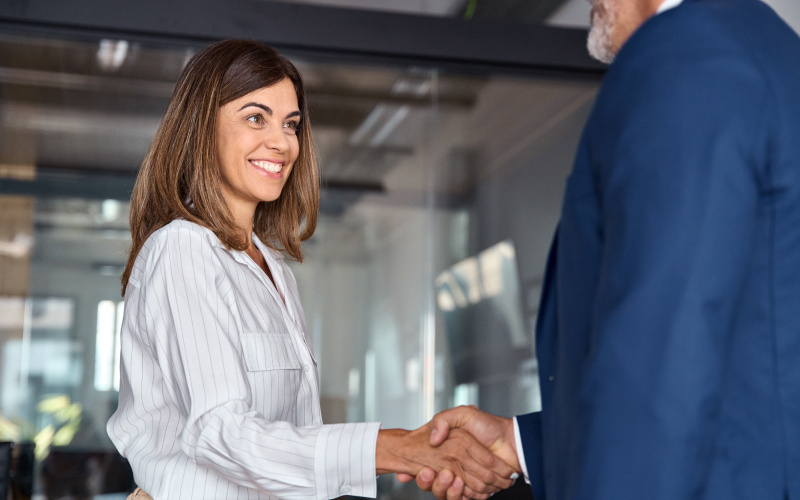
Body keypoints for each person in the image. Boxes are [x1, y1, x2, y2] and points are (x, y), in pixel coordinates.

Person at [404, 0, 800, 498]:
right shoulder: (768, 51)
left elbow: (661, 356)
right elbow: (747, 373)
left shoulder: (684, 60)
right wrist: (520, 442)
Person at [106, 39, 516, 500]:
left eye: (291, 124)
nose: (282, 142)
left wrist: (421, 452)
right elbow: (221, 433)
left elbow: (292, 444)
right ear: (202, 128)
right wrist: (398, 448)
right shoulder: (182, 249)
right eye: (255, 117)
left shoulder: (274, 269)